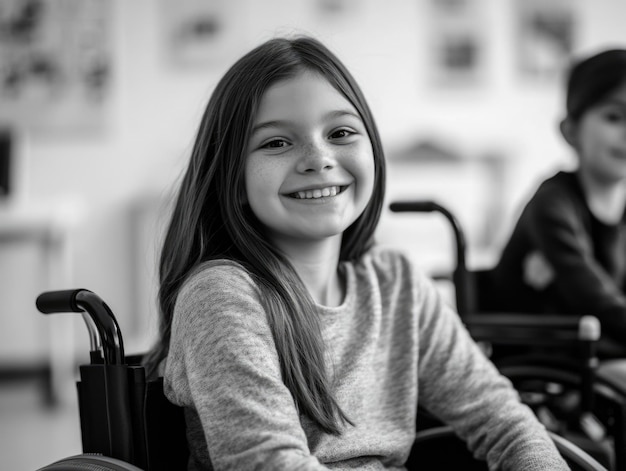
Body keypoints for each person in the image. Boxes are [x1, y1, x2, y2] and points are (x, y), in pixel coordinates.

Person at [144, 35, 568, 470]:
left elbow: (503, 421)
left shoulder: (396, 281)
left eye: (341, 132)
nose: (318, 158)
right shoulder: (221, 296)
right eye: (276, 143)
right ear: (232, 179)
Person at [490, 49, 626, 351]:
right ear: (570, 130)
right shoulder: (552, 203)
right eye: (615, 117)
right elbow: (594, 297)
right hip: (545, 357)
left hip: (599, 349)